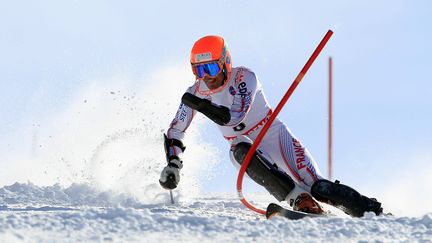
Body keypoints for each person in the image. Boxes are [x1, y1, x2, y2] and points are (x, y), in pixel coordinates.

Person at [159, 35, 382, 217]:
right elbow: (176, 130)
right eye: (199, 70)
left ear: (225, 62)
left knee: (318, 187)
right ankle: (300, 202)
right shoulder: (195, 92)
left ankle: (369, 209)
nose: (206, 77)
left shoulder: (244, 77)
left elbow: (234, 117)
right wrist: (174, 164)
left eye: (210, 68)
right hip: (243, 145)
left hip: (273, 135)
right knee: (241, 151)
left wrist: (200, 105)